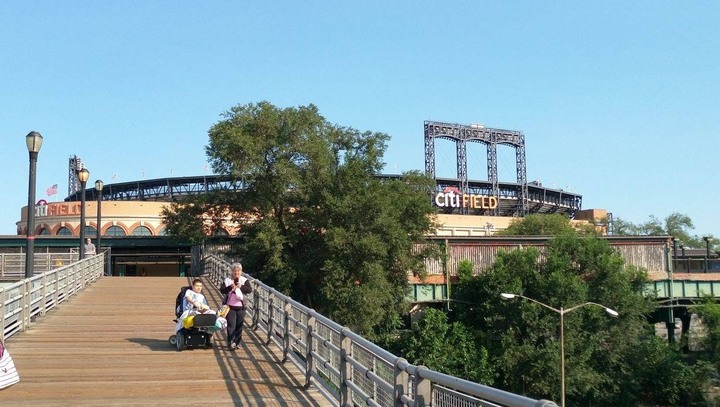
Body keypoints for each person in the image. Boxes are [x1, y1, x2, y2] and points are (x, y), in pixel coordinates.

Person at [220, 263, 252, 350]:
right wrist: (230, 287)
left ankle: (237, 342)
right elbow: (222, 290)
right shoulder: (227, 280)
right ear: (232, 271)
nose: (236, 273)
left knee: (239, 325)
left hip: (241, 306)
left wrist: (241, 286)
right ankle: (231, 342)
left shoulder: (244, 280)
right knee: (231, 325)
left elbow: (249, 290)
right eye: (234, 271)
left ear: (241, 272)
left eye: (238, 271)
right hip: (230, 307)